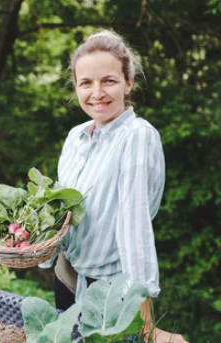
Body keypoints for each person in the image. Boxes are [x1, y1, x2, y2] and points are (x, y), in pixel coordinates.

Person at [43, 29, 189, 343]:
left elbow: (133, 225)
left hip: (111, 292)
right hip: (68, 277)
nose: (97, 92)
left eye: (108, 80)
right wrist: (36, 244)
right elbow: (61, 213)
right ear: (76, 87)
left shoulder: (136, 135)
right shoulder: (75, 138)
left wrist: (147, 324)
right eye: (86, 83)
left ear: (128, 82)